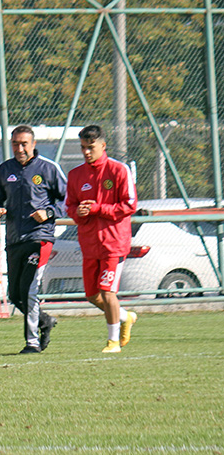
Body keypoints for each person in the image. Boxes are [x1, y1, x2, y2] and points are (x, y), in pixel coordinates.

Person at [0, 125, 68, 354]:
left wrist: (50, 213)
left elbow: (68, 198)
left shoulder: (48, 168)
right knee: (14, 294)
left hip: (39, 238)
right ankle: (44, 321)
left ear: (33, 145)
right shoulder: (6, 169)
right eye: (16, 144)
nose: (20, 148)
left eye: (24, 144)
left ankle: (32, 342)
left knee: (30, 289)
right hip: (14, 239)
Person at [66, 124, 138, 353]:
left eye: (91, 147)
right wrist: (78, 212)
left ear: (103, 146)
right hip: (89, 244)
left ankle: (113, 341)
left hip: (113, 242)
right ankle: (126, 317)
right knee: (92, 295)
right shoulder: (76, 175)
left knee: (108, 292)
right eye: (83, 148)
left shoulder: (118, 170)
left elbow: (129, 204)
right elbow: (70, 206)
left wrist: (98, 209)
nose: (87, 152)